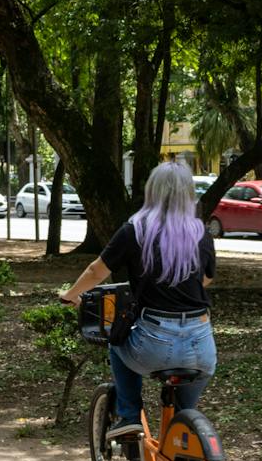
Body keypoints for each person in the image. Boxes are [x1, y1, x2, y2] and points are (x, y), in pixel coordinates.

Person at [60, 161, 216, 438]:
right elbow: (205, 280)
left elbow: (97, 270)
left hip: (154, 344)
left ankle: (129, 416)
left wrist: (70, 295)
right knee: (181, 419)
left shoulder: (136, 229)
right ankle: (183, 443)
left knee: (117, 343)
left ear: (152, 191)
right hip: (201, 346)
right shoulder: (200, 231)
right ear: (188, 193)